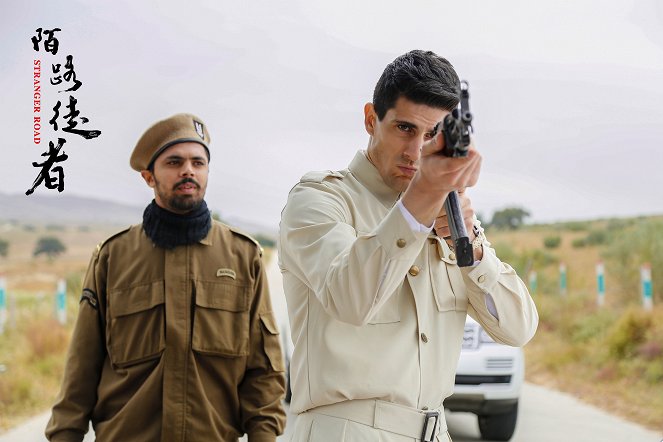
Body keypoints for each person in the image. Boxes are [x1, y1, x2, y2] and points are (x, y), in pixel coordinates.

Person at [278, 50, 538, 442]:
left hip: (435, 429)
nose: (416, 151)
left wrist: (473, 248)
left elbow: (519, 328)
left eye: (432, 134)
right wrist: (417, 206)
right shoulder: (320, 199)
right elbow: (350, 298)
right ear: (371, 119)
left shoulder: (450, 215)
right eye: (404, 128)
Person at [46, 113, 286, 442]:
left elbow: (264, 375)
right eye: (174, 162)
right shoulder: (113, 258)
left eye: (197, 163)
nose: (188, 170)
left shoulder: (244, 258)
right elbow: (80, 373)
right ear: (149, 177)